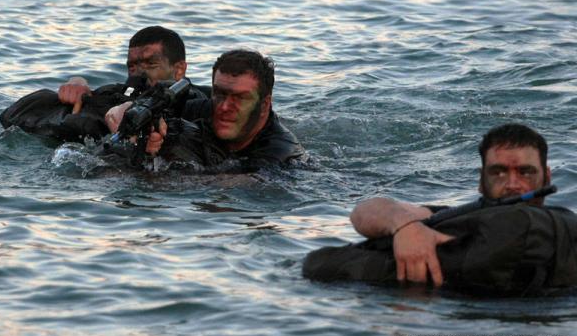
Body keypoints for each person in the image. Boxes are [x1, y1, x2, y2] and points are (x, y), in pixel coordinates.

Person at [349, 123, 553, 287]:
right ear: (481, 182)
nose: (512, 185)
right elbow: (364, 211)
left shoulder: (566, 234)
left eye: (526, 172)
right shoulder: (451, 218)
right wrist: (405, 226)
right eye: (498, 172)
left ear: (547, 178)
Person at [0, 26, 209, 142]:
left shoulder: (195, 102)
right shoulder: (115, 91)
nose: (140, 72)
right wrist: (76, 83)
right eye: (133, 66)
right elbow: (8, 116)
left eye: (150, 64)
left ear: (179, 69)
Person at [133, 49, 305, 169]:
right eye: (220, 93)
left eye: (239, 98)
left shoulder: (281, 152)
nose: (223, 107)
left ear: (264, 104)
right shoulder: (208, 108)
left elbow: (230, 189)